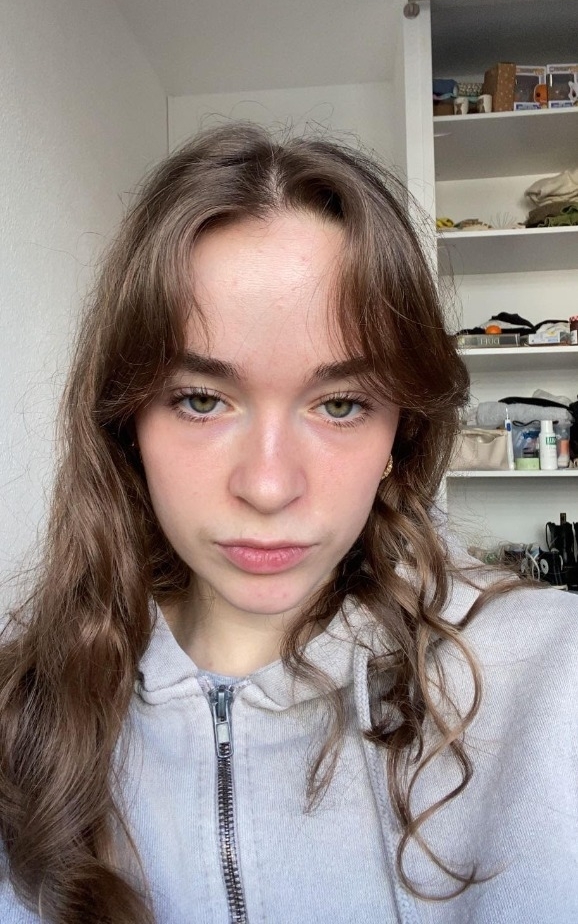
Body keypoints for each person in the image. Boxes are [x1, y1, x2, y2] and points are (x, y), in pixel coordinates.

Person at [0, 123, 576, 924]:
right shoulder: (20, 715)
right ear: (126, 423)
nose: (269, 486)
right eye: (201, 399)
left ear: (401, 436)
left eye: (340, 405)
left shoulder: (547, 681)